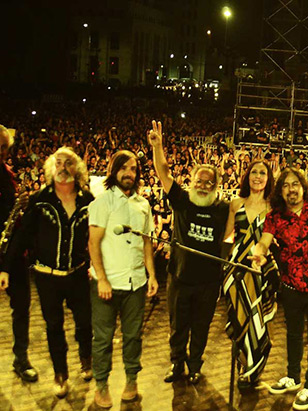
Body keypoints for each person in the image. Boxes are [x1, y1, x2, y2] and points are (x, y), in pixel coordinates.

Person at [1, 147, 94, 398]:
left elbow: (96, 237)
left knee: (85, 323)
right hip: (47, 277)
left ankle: (86, 357)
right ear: (51, 169)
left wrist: (97, 266)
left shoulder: (88, 200)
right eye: (58, 163)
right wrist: (6, 268)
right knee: (54, 327)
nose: (63, 167)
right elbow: (22, 236)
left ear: (78, 170)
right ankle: (60, 373)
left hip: (77, 274)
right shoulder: (40, 200)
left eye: (69, 163)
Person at [148, 120, 229, 385]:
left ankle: (195, 365)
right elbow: (163, 172)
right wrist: (158, 146)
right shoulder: (182, 202)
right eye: (199, 180)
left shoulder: (222, 209)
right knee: (177, 327)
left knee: (201, 328)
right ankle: (176, 363)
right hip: (180, 277)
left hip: (207, 281)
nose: (204, 185)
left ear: (216, 185)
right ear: (191, 181)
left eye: (209, 182)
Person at [251, 167, 308, 411]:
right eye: (285, 185)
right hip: (290, 285)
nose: (291, 189)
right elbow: (265, 240)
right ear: (280, 191)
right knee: (293, 333)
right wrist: (259, 252)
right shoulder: (275, 216)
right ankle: (293, 377)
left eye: (295, 184)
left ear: (303, 187)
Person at [88, 150, 159, 409]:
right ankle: (101, 385)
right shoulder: (102, 201)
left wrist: (151, 275)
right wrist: (102, 280)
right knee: (103, 338)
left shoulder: (143, 204)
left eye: (133, 169)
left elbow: (147, 242)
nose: (129, 173)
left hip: (136, 284)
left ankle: (131, 381)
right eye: (124, 168)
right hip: (106, 284)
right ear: (114, 170)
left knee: (133, 336)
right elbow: (93, 244)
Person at [223, 159, 278, 388]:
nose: (257, 176)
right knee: (239, 318)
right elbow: (227, 235)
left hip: (261, 268)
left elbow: (274, 238)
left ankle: (254, 369)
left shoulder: (273, 207)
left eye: (262, 173)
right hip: (237, 268)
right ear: (247, 176)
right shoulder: (236, 203)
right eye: (254, 172)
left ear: (268, 178)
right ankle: (242, 365)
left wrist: (262, 253)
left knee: (257, 318)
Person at [0, 125, 37, 383]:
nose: (2, 152)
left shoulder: (7, 173)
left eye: (5, 147)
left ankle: (21, 358)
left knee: (22, 305)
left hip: (12, 251)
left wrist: (22, 205)